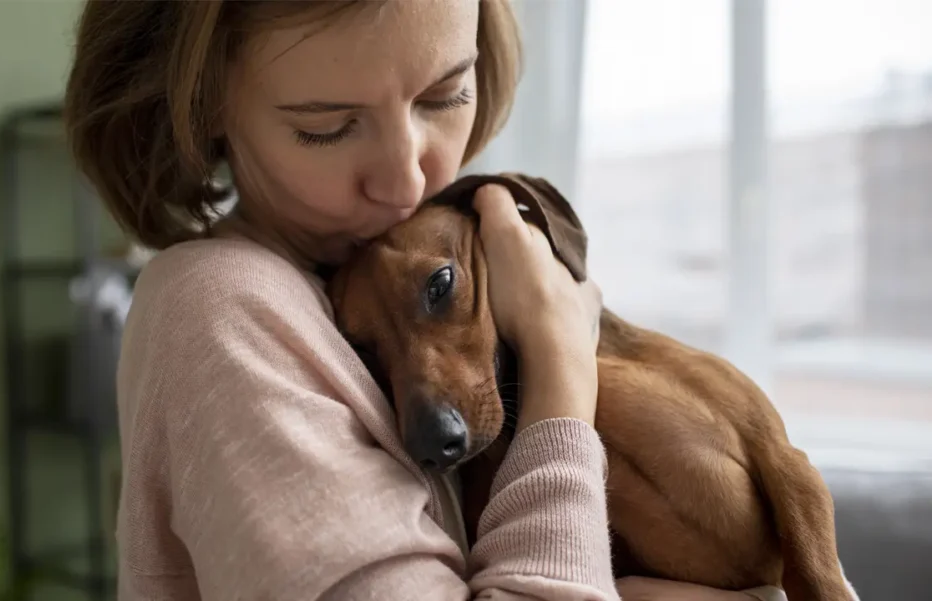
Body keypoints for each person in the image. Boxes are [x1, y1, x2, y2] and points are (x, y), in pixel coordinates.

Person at [63, 1, 791, 599]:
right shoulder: (221, 308)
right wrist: (560, 375)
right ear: (204, 104)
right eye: (328, 127)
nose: (409, 181)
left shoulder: (420, 258)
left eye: (446, 94)